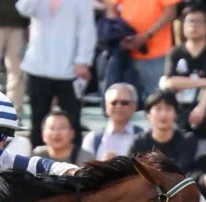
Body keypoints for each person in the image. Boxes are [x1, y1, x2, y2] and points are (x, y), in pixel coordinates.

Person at [17, 0, 95, 148]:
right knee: (38, 120)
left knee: (72, 120)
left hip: (70, 70)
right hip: (38, 68)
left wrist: (83, 60)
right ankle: (36, 162)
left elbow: (87, 30)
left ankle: (75, 161)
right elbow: (22, 8)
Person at [161, 4, 206, 157]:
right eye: (189, 21)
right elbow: (171, 81)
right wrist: (203, 82)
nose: (193, 25)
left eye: (198, 22)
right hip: (179, 121)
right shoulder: (175, 52)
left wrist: (201, 108)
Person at [104, 0, 180, 102]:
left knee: (158, 102)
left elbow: (171, 12)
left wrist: (146, 35)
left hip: (157, 55)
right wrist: (118, 33)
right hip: (126, 54)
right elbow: (110, 7)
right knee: (125, 103)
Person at [131, 90, 197, 171]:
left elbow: (181, 171)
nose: (163, 114)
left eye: (168, 109)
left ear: (175, 114)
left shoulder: (187, 140)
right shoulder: (139, 141)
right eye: (158, 109)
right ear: (148, 115)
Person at [81, 82, 141, 161]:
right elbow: (84, 171)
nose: (118, 106)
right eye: (114, 103)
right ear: (106, 107)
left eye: (124, 103)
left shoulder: (144, 137)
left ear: (134, 106)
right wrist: (103, 165)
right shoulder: (92, 138)